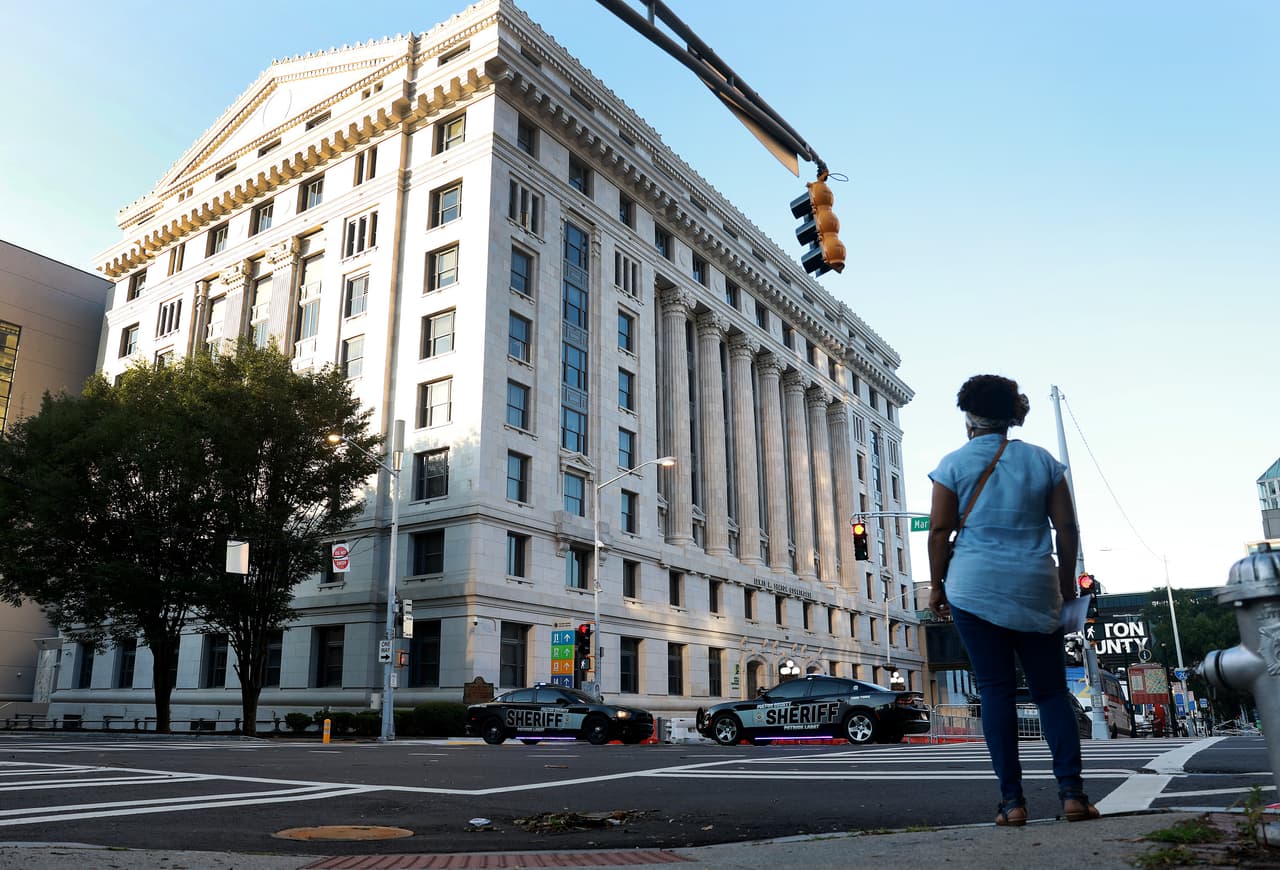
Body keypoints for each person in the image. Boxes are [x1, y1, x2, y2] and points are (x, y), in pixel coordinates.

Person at [927, 374, 1098, 827]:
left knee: (995, 691)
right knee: (1050, 692)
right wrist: (1065, 584)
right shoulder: (1042, 461)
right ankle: (1073, 795)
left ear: (969, 417)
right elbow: (1067, 529)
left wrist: (936, 585)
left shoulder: (952, 465)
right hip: (1035, 586)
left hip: (973, 587)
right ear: (1011, 416)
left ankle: (1013, 802)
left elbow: (941, 532)